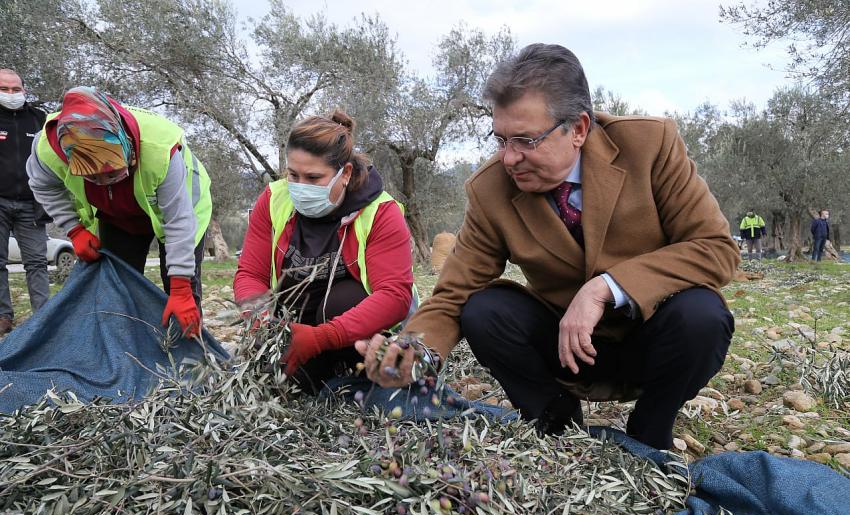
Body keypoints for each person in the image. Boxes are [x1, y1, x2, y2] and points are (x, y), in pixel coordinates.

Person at [356, 44, 740, 450]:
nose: (509, 158)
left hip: (653, 340)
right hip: (566, 350)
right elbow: (454, 293)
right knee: (484, 310)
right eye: (501, 139)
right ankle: (557, 425)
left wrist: (605, 287)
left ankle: (650, 430)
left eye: (525, 140)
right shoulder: (490, 188)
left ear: (578, 129)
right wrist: (414, 351)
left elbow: (715, 247)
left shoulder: (649, 145)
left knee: (702, 315)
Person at [234, 110, 415, 392]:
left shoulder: (381, 212)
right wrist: (260, 319)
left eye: (313, 177)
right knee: (287, 385)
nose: (300, 186)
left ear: (345, 174)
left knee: (340, 301)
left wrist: (323, 337)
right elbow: (250, 273)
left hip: (356, 328)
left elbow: (394, 295)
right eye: (293, 175)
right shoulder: (273, 199)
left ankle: (349, 368)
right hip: (296, 322)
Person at [26, 87, 212, 337]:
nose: (105, 183)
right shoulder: (48, 151)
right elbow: (42, 186)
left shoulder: (159, 149)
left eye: (113, 174)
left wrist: (180, 287)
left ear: (128, 149)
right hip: (117, 217)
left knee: (182, 294)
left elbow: (179, 221)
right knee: (117, 288)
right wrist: (74, 229)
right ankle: (125, 350)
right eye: (93, 178)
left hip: (182, 210)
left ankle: (189, 353)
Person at [0, 69, 51, 335]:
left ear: (24, 90)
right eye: (4, 89)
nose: (11, 94)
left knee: (37, 262)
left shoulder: (39, 119)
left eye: (15, 89)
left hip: (32, 202)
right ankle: (3, 317)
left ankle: (43, 318)